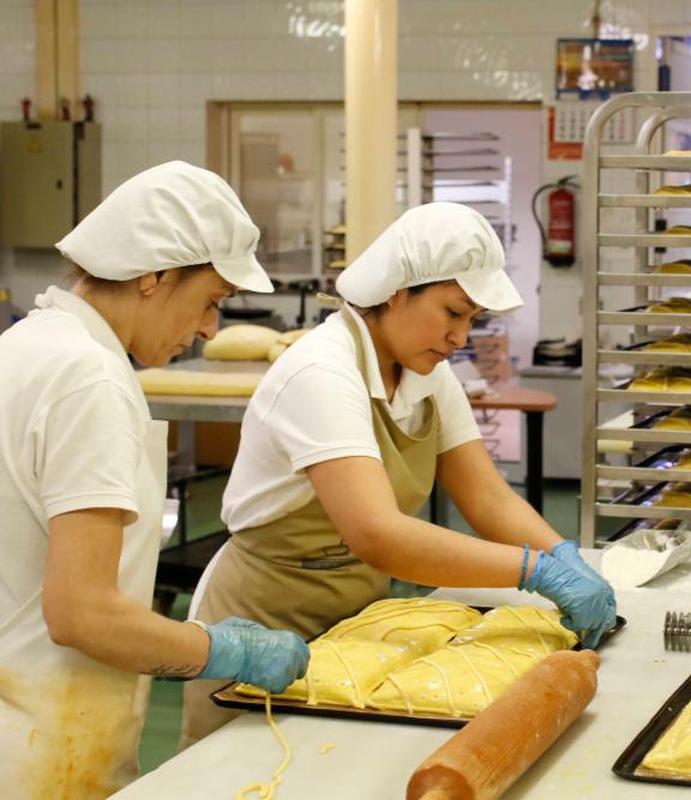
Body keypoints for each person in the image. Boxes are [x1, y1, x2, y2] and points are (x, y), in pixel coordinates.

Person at [180, 202, 617, 745]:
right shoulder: (322, 370)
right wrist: (535, 571)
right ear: (397, 290)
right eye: (452, 312)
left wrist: (563, 557)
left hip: (359, 620)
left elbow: (487, 498)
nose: (461, 337)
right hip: (262, 618)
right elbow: (378, 534)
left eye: (473, 320)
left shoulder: (429, 373)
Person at [0, 161, 310, 799]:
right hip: (40, 749)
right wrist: (218, 650)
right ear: (155, 275)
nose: (208, 330)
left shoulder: (26, 347)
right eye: (211, 301)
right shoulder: (89, 378)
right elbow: (81, 613)